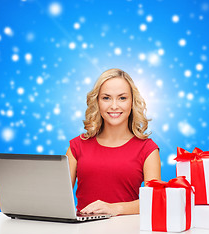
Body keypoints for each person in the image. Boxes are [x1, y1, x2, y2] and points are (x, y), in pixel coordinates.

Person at [66, 68, 161, 216]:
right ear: (97, 101)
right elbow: (59, 198)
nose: (114, 106)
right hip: (83, 232)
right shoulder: (77, 146)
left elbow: (155, 200)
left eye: (122, 98)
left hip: (128, 231)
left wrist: (114, 208)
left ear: (132, 102)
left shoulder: (147, 149)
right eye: (106, 98)